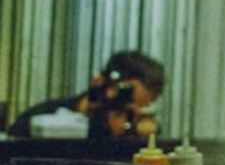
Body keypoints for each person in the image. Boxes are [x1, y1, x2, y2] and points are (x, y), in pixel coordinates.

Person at [7, 50, 166, 139]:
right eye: (125, 95)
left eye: (142, 106)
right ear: (99, 81)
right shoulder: (43, 116)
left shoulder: (134, 134)